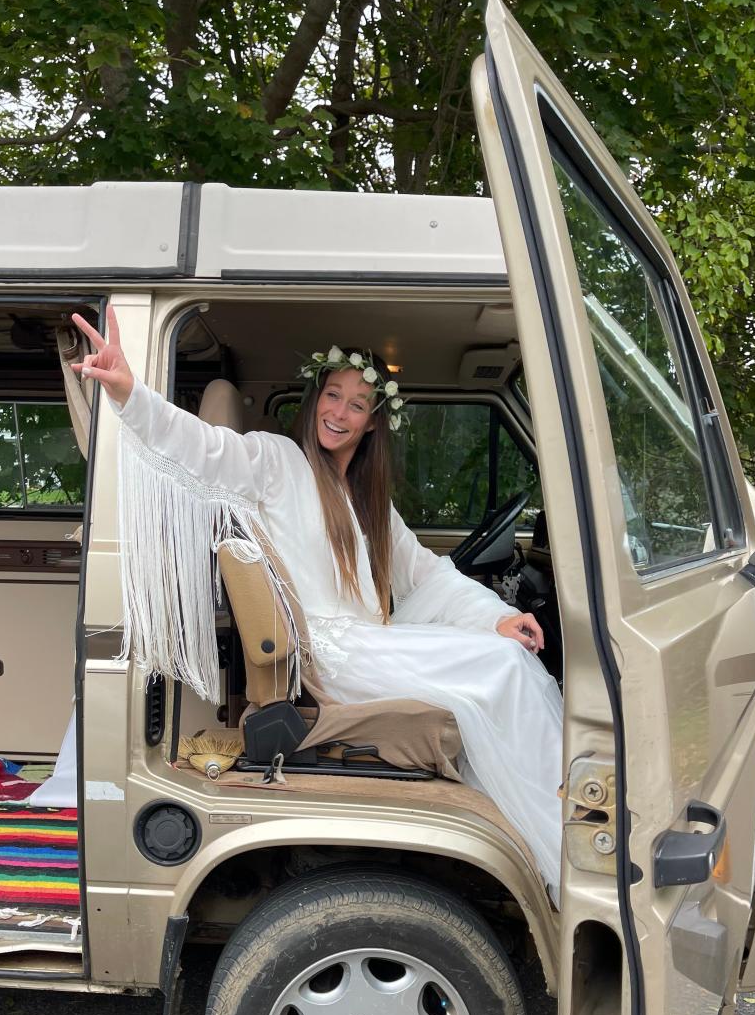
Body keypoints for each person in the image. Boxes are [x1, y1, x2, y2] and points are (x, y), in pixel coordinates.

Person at [71, 307, 564, 894]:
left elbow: (429, 576)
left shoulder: (367, 501)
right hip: (334, 657)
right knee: (506, 666)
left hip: (369, 646)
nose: (340, 412)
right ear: (315, 398)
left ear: (373, 423)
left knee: (507, 655)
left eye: (357, 404)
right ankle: (565, 827)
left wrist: (499, 616)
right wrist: (130, 392)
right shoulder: (277, 461)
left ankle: (558, 810)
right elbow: (203, 447)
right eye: (333, 395)